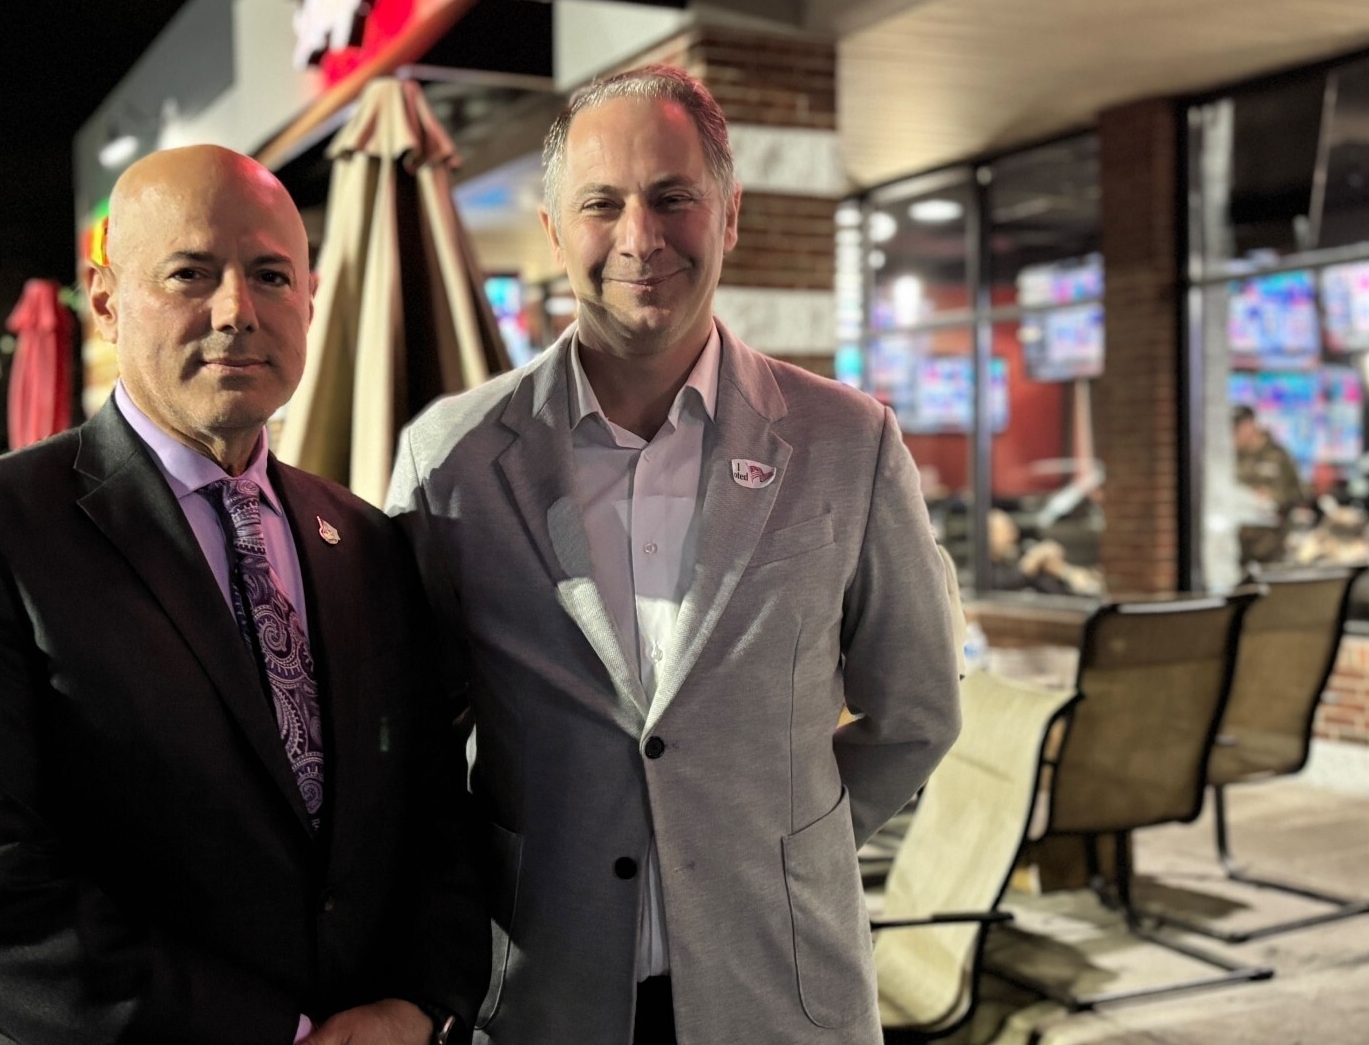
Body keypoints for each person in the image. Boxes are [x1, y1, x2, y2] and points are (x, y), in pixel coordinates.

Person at [0, 145, 485, 1045]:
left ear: (311, 298)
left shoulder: (369, 545)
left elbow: (433, 811)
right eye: (191, 273)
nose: (237, 311)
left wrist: (422, 1004)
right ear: (107, 298)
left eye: (272, 275)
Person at [387, 66, 963, 1045]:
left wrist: (784, 848)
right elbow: (414, 750)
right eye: (601, 204)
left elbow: (915, 713)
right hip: (542, 996)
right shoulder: (452, 460)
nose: (640, 239)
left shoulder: (848, 442)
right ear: (554, 229)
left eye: (673, 198)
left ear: (729, 216)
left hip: (782, 993)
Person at [1233, 405, 1303, 567]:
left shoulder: (1277, 455)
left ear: (1251, 425)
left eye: (1239, 427)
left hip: (1271, 544)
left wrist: (1273, 499)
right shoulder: (1235, 457)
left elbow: (1297, 492)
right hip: (1240, 544)